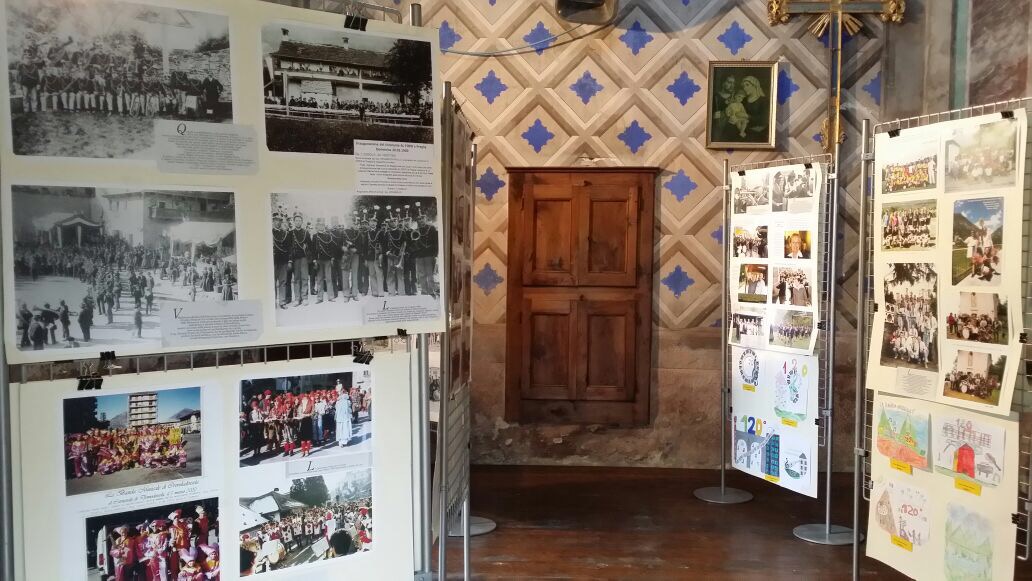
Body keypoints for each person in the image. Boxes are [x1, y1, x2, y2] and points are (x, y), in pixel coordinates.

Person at [335, 379, 353, 447]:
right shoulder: (338, 401)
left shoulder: (346, 400)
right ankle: (341, 441)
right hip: (340, 417)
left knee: (345, 427)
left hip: (345, 416)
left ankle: (344, 440)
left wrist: (350, 414)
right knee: (341, 428)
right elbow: (337, 409)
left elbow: (349, 408)